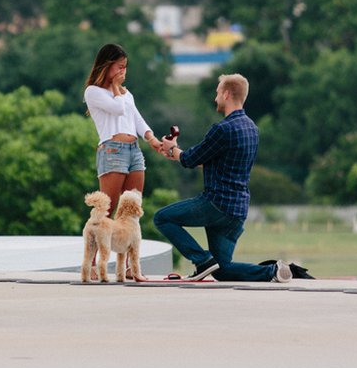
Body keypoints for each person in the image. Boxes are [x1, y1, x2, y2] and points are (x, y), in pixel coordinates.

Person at [155, 73, 297, 282]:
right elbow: (214, 160)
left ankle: (201, 259)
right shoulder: (252, 129)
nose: (215, 98)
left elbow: (190, 159)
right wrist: (178, 154)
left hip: (216, 204)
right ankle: (273, 271)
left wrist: (172, 149)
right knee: (221, 270)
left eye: (218, 93)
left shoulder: (222, 129)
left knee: (162, 218)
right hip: (238, 210)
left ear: (227, 94)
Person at [84, 43, 161, 281]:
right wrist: (117, 87)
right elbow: (117, 110)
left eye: (125, 67)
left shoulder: (126, 94)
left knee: (131, 210)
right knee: (106, 208)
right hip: (112, 149)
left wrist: (151, 138)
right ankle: (95, 264)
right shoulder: (94, 92)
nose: (123, 72)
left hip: (133, 149)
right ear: (107, 66)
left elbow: (135, 117)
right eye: (119, 67)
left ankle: (129, 266)